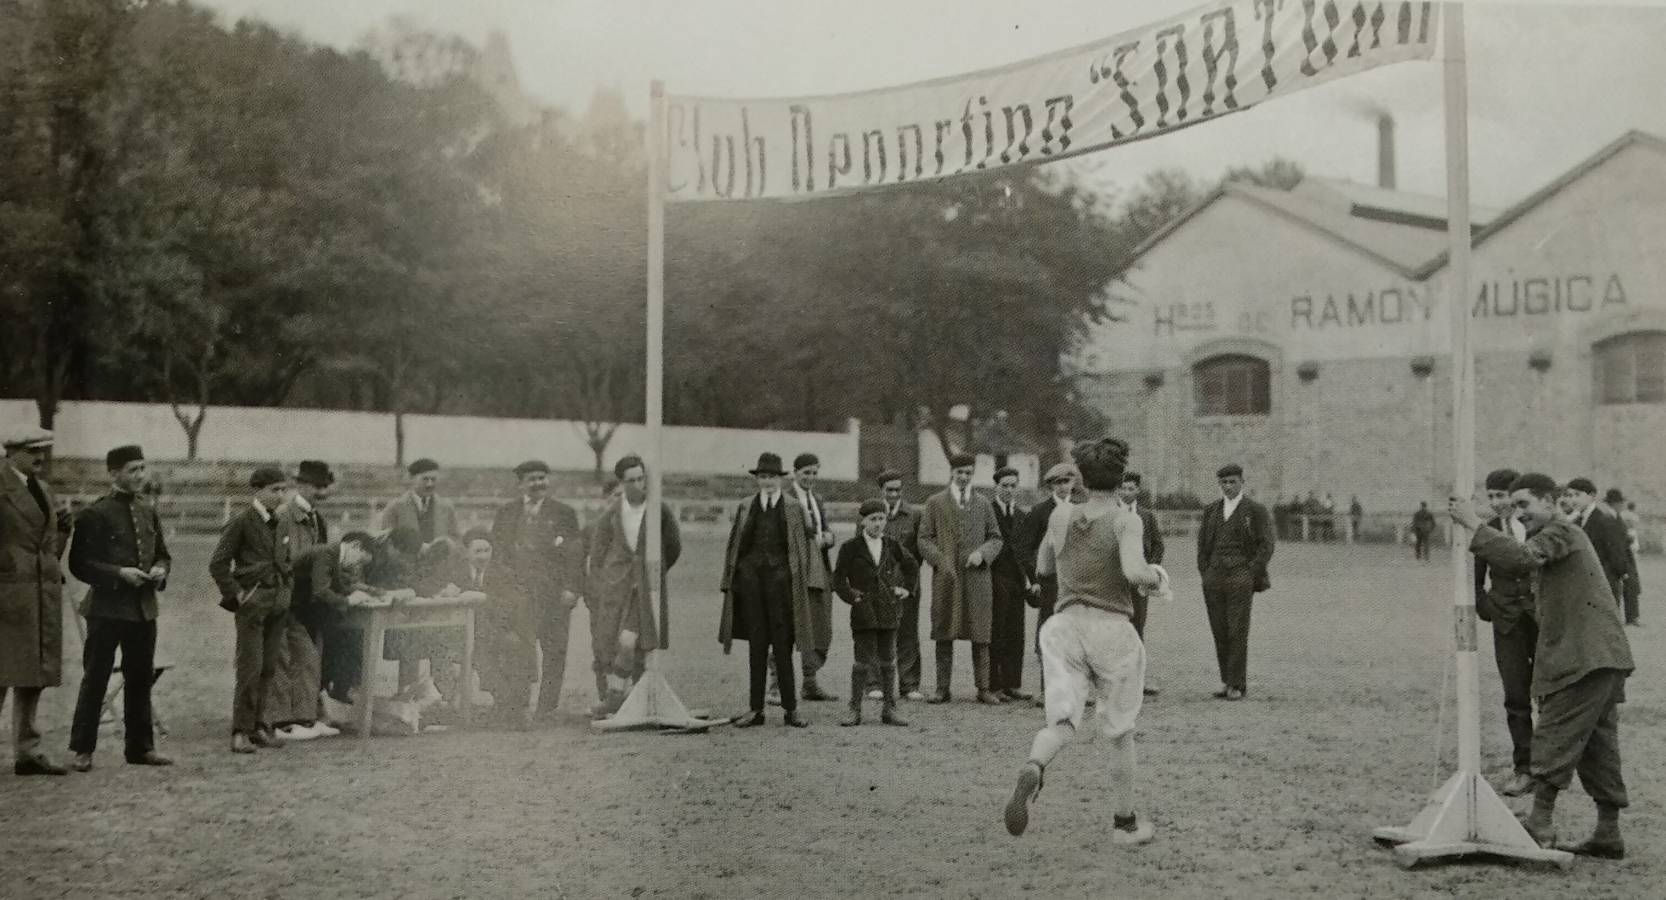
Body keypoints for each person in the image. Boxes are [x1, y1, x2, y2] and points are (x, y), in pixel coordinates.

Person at [1449, 473, 1634, 858]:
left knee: (1554, 731)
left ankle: (1539, 824)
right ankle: (1607, 833)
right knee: (1598, 746)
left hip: (1586, 657)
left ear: (1551, 503)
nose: (1518, 513)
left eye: (1524, 505)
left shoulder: (1561, 533)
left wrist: (1472, 524)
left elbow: (1520, 559)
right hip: (1600, 656)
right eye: (1513, 506)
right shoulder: (1558, 537)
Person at [1003, 437, 1160, 843]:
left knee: (1062, 720)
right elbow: (1133, 571)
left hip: (1063, 626)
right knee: (1120, 732)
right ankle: (1124, 825)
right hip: (1110, 629)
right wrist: (1156, 578)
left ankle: (1036, 766)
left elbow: (1042, 566)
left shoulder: (1061, 517)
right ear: (1121, 477)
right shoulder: (1127, 520)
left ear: (1082, 479)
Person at [66, 445, 173, 771]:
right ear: (113, 473)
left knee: (140, 677)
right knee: (96, 677)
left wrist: (160, 570)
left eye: (143, 468)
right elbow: (79, 564)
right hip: (107, 610)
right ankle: (82, 750)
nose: (140, 476)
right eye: (132, 470)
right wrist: (118, 574)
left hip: (143, 609)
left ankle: (140, 748)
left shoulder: (148, 509)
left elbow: (162, 554)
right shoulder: (95, 513)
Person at [719, 453, 815, 728]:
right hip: (752, 586)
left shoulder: (794, 508)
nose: (768, 482)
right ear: (757, 479)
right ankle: (755, 709)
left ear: (781, 479)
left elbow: (803, 545)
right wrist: (736, 578)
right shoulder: (746, 506)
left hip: (782, 587)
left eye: (772, 477)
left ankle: (791, 709)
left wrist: (795, 578)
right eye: (763, 477)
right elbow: (735, 545)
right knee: (757, 647)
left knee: (783, 647)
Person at [585, 455, 681, 718]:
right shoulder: (613, 513)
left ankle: (616, 698)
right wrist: (608, 580)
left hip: (645, 588)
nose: (638, 484)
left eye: (641, 478)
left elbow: (674, 546)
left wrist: (654, 574)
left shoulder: (658, 509)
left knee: (630, 641)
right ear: (621, 483)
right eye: (631, 480)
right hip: (617, 588)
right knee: (615, 642)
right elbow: (598, 552)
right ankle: (626, 698)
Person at [0, 426, 69, 776]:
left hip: (40, 596)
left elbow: (48, 546)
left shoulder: (42, 489)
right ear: (11, 451)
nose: (41, 458)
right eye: (33, 451)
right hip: (8, 595)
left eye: (44, 450)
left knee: (33, 674)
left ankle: (27, 750)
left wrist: (64, 530)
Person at [209, 466, 293, 754]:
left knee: (269, 667)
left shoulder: (281, 522)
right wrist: (237, 595)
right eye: (274, 490)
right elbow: (218, 564)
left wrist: (286, 588)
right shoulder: (242, 521)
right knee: (250, 667)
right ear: (257, 490)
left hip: (278, 602)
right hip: (253, 604)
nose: (280, 495)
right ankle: (240, 731)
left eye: (283, 489)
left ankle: (260, 725)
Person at [492, 460, 584, 721]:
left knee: (555, 650)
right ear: (520, 483)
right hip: (519, 596)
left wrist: (571, 588)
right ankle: (520, 705)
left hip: (555, 596)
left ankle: (547, 708)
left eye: (542, 478)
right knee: (521, 648)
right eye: (532, 479)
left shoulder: (564, 513)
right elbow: (497, 555)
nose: (538, 483)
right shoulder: (506, 513)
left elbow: (575, 555)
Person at [918, 452, 1005, 705]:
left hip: (977, 579)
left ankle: (983, 687)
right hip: (947, 578)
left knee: (981, 634)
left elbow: (996, 537)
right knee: (944, 630)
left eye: (968, 472)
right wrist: (940, 559)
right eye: (960, 473)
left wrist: (982, 553)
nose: (964, 477)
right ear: (952, 473)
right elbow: (924, 538)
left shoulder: (984, 504)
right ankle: (942, 688)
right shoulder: (935, 502)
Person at [1473, 468, 1537, 797]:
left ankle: (1549, 767)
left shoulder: (1536, 527)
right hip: (1507, 623)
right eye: (1492, 496)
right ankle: (1524, 768)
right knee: (1515, 695)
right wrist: (1487, 607)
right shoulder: (1485, 531)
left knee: (1550, 693)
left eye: (1502, 495)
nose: (1497, 502)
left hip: (1540, 620)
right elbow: (1476, 578)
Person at [380, 458, 462, 697]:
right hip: (408, 582)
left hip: (438, 581)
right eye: (424, 479)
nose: (429, 484)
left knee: (442, 639)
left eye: (433, 479)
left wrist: (444, 546)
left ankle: (443, 699)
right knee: (409, 642)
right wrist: (416, 550)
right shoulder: (395, 507)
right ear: (411, 479)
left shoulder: (446, 507)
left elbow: (457, 541)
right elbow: (385, 544)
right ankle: (407, 695)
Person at [832, 499, 918, 726]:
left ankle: (889, 709)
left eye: (881, 519)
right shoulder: (850, 548)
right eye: (873, 519)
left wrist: (906, 589)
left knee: (888, 660)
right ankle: (854, 709)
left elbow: (911, 565)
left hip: (888, 609)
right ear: (863, 521)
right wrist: (853, 597)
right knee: (861, 662)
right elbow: (838, 579)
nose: (878, 524)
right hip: (863, 612)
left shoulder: (891, 545)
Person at [266, 460, 335, 742]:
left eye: (325, 487)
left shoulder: (318, 518)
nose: (322, 493)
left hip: (307, 598)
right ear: (302, 485)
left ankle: (304, 717)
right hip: (283, 596)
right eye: (318, 487)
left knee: (307, 657)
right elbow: (283, 561)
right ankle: (281, 721)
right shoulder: (284, 515)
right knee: (284, 658)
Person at [1196, 463, 1274, 701]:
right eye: (1224, 483)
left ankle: (1237, 683)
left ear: (1242, 482)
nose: (1228, 487)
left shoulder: (1255, 510)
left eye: (1232, 482)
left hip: (1241, 576)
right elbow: (1202, 546)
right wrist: (1206, 572)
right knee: (1219, 629)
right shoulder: (1211, 511)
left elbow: (1266, 545)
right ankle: (1226, 680)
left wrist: (1251, 572)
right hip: (1214, 577)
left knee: (1237, 629)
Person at [1016, 463, 1081, 709]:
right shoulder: (1041, 512)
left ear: (1073, 483)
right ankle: (1047, 690)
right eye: (1058, 483)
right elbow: (1024, 548)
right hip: (1050, 584)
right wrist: (1035, 579)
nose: (1063, 487)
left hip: (1076, 583)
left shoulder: (1081, 510)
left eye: (1067, 482)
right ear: (1051, 486)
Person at [774, 452, 835, 703]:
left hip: (817, 569)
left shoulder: (817, 499)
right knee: (787, 625)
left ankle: (810, 681)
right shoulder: (785, 499)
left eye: (814, 473)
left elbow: (824, 530)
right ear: (795, 473)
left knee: (818, 624)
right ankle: (774, 684)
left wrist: (829, 537)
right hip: (792, 570)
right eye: (806, 473)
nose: (810, 477)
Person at [872, 470, 923, 701]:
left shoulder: (913, 515)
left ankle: (909, 684)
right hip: (878, 584)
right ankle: (875, 684)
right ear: (881, 491)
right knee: (876, 631)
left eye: (897, 490)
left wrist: (908, 581)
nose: (894, 494)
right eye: (889, 490)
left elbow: (917, 553)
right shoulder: (871, 513)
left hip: (905, 585)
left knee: (908, 633)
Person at [1117, 472, 1165, 696]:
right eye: (1123, 489)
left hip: (1138, 582)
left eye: (1131, 489)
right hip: (1115, 580)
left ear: (1138, 490)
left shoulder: (1146, 516)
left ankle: (1137, 679)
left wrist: (1150, 570)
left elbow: (1157, 545)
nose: (1127, 493)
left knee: (1137, 627)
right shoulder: (1111, 514)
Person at [988, 466, 1033, 703]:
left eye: (1012, 486)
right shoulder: (988, 511)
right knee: (997, 631)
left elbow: (1027, 551)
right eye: (1004, 485)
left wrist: (1032, 579)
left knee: (1016, 632)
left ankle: (1012, 683)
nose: (1008, 490)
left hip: (1017, 579)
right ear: (996, 486)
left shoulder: (1022, 516)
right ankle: (993, 685)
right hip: (994, 577)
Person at [1562, 478, 1631, 608]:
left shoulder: (1605, 519)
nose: (1573, 500)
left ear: (1592, 496)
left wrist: (1618, 575)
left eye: (1577, 495)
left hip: (1604, 582)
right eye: (1570, 496)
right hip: (1583, 583)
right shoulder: (1576, 522)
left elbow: (1616, 553)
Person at [1606, 489, 1642, 626]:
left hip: (1624, 557)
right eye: (1620, 502)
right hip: (1619, 559)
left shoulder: (1617, 517)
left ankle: (1632, 616)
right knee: (1617, 588)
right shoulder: (1610, 518)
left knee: (1631, 587)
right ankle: (1624, 617)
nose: (1622, 505)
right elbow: (1614, 544)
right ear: (1615, 503)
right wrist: (1621, 566)